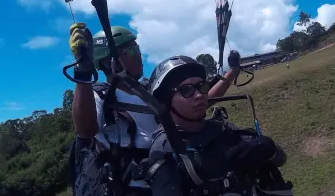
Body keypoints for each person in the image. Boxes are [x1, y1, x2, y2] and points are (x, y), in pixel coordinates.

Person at [67, 23, 242, 195]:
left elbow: (198, 101)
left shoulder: (149, 90)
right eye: (131, 50)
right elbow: (86, 131)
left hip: (176, 170)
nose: (139, 55)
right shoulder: (100, 96)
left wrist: (231, 72)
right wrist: (83, 74)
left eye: (137, 48)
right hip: (136, 187)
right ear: (110, 61)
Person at [145, 55, 292, 196]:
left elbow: (281, 160)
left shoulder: (223, 129)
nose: (199, 95)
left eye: (202, 86)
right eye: (186, 90)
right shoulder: (165, 151)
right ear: (165, 101)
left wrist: (268, 147)